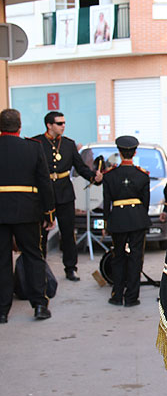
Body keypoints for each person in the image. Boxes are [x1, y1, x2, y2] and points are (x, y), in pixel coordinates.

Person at [0, 109, 56, 323]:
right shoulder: (33, 147)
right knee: (33, 257)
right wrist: (48, 212)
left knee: (2, 260)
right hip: (27, 210)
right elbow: (44, 182)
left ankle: (2, 310)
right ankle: (40, 305)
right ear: (20, 126)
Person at [32, 111, 102, 281]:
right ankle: (39, 268)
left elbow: (80, 167)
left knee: (68, 233)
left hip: (64, 193)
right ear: (49, 125)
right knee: (40, 233)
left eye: (64, 123)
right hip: (43, 194)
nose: (63, 126)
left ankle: (71, 268)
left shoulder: (69, 144)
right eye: (59, 123)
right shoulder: (36, 143)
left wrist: (94, 177)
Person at [102, 136, 151, 307]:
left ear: (119, 153)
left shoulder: (109, 175)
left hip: (118, 220)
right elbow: (145, 202)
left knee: (118, 257)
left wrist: (106, 223)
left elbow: (106, 201)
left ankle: (117, 295)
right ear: (135, 152)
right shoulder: (142, 175)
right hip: (137, 218)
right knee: (136, 257)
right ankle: (131, 297)